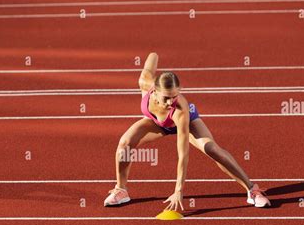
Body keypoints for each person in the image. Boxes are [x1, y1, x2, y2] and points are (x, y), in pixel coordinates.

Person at [104, 52, 270, 211]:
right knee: (124, 144)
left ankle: (252, 190)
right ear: (154, 91)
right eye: (166, 98)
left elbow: (182, 154)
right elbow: (152, 57)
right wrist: (154, 54)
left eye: (175, 96)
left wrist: (178, 190)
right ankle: (121, 190)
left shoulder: (180, 110)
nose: (171, 102)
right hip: (156, 122)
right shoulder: (145, 82)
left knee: (211, 149)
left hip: (187, 123)